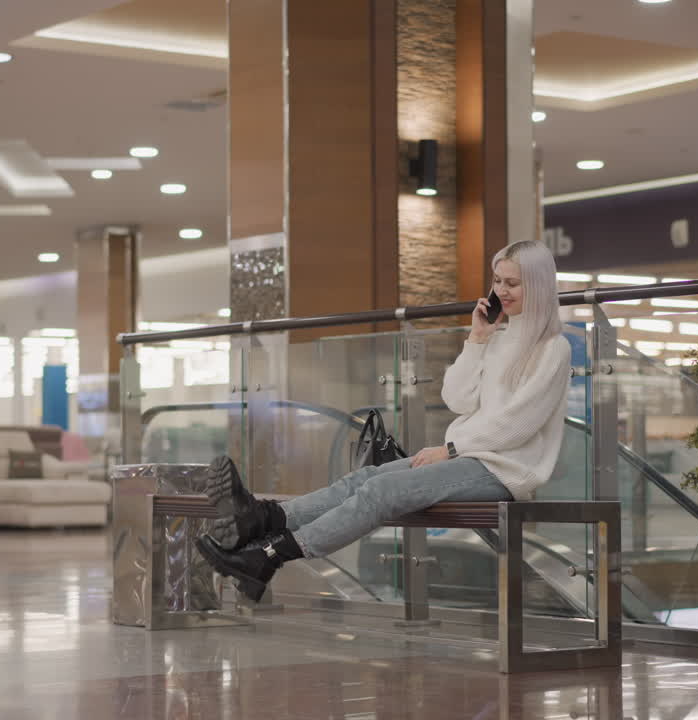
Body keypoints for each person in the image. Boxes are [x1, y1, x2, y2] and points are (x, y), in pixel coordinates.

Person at [196, 240, 573, 602]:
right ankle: (263, 517)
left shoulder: (553, 349)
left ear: (538, 286)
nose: (501, 291)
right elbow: (456, 399)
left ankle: (266, 557)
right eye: (496, 281)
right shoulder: (497, 338)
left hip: (503, 471)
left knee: (380, 493)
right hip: (466, 457)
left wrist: (451, 449)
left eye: (512, 283)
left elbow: (519, 424)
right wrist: (476, 340)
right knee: (362, 479)